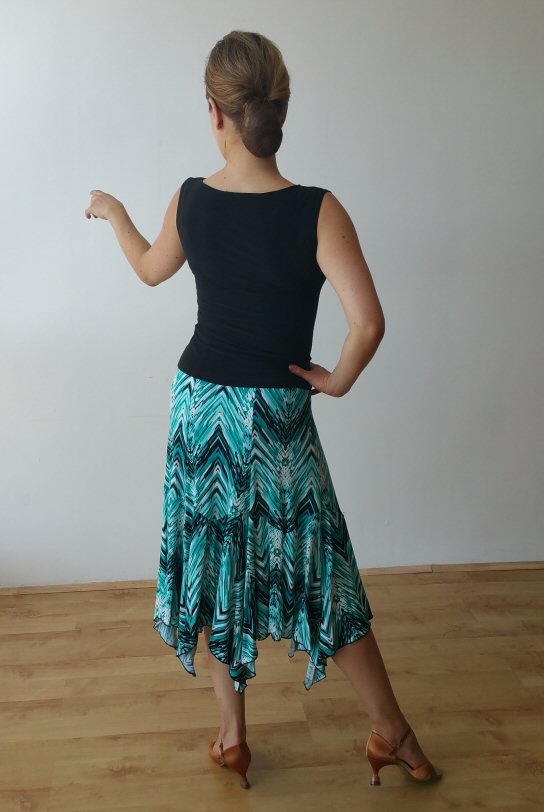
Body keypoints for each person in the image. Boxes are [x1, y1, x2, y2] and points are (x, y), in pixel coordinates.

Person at [85, 29, 442, 792]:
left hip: (201, 410)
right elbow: (368, 324)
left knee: (215, 567)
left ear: (214, 111)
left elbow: (150, 269)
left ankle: (233, 736)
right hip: (278, 416)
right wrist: (334, 382)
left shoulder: (191, 198)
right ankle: (395, 735)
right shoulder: (319, 209)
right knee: (323, 569)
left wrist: (114, 213)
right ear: (280, 108)